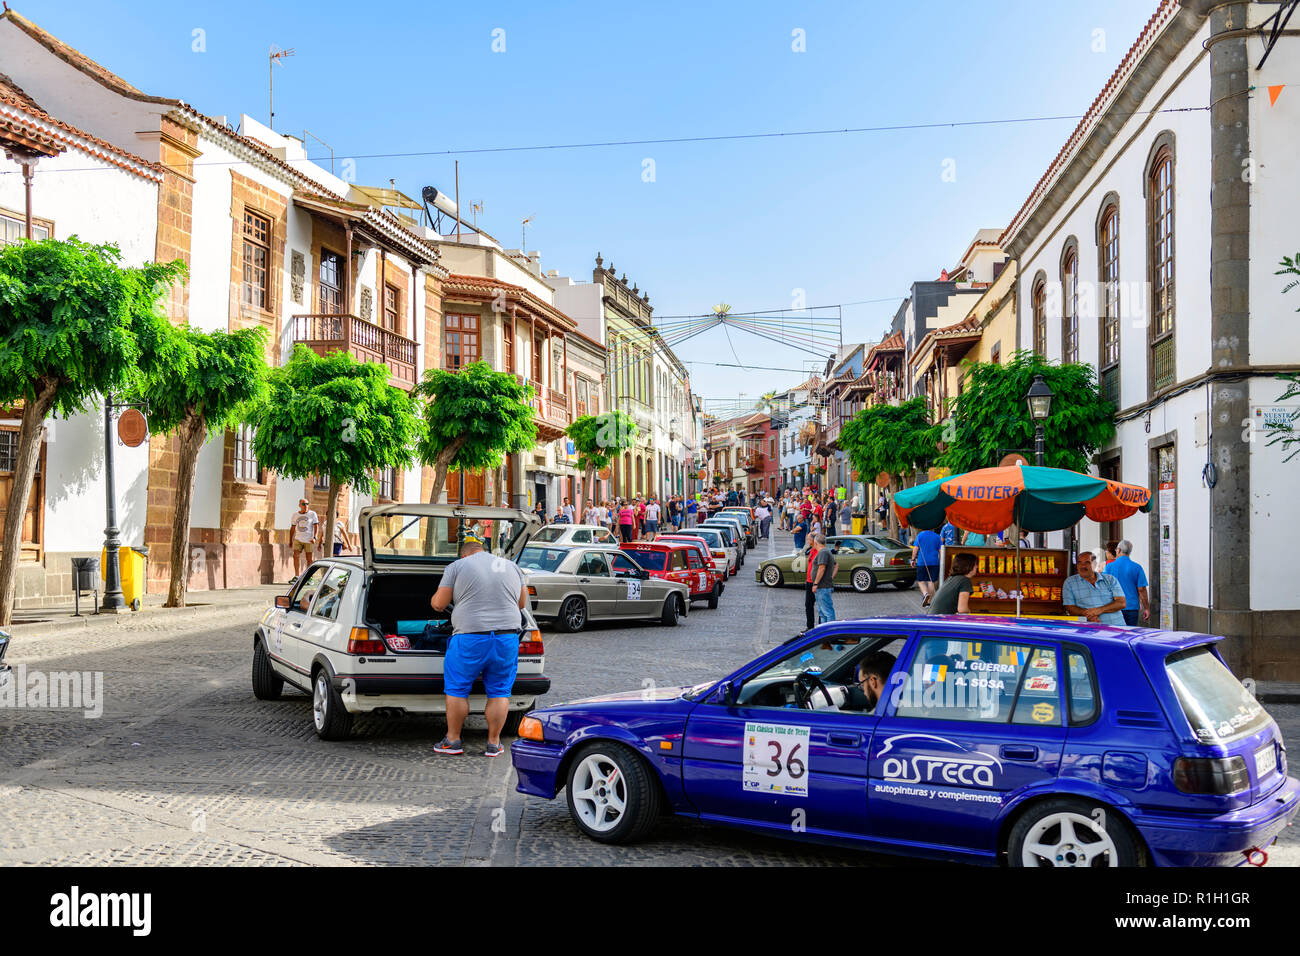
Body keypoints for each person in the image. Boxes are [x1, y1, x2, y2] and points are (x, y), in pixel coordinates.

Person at [430, 534, 528, 757]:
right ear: (484, 551)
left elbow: (439, 603)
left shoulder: (457, 566)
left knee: (457, 689)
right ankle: (494, 743)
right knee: (500, 691)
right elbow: (521, 603)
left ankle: (453, 740)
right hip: (506, 638)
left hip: (470, 638)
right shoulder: (512, 566)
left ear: (465, 554)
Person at [1062, 550, 1127, 625]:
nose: (1082, 566)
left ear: (1095, 564)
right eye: (1079, 562)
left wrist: (1100, 610)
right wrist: (1088, 615)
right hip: (1089, 629)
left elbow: (1121, 603)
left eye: (1087, 562)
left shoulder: (1110, 579)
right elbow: (1069, 607)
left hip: (1117, 626)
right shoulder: (1069, 582)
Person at [1105, 539, 1151, 626]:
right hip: (1131, 608)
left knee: (1115, 635)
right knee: (1129, 635)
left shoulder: (1109, 567)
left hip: (1114, 607)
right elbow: (1142, 589)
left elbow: (1103, 587)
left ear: (1118, 550)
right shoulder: (1137, 567)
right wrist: (1147, 608)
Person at [809, 534, 837, 624]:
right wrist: (830, 577)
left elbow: (822, 568)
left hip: (822, 587)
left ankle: (830, 632)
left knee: (827, 612)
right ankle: (824, 631)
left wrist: (816, 583)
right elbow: (836, 565)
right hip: (822, 586)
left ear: (815, 543)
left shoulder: (823, 552)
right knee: (822, 613)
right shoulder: (826, 551)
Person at [911, 526, 942, 608]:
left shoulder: (920, 535)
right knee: (931, 581)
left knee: (921, 581)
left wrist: (913, 559)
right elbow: (941, 550)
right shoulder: (937, 536)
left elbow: (915, 548)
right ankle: (928, 602)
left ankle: (925, 594)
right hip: (934, 562)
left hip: (922, 562)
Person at [291, 497, 321, 579]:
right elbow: (293, 527)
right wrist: (290, 540)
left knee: (309, 558)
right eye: (304, 504)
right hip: (298, 538)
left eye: (307, 504)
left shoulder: (312, 514)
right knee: (295, 556)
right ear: (300, 505)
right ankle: (297, 576)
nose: (306, 506)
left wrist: (315, 537)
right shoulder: (295, 515)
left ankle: (309, 577)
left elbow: (316, 526)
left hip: (309, 539)